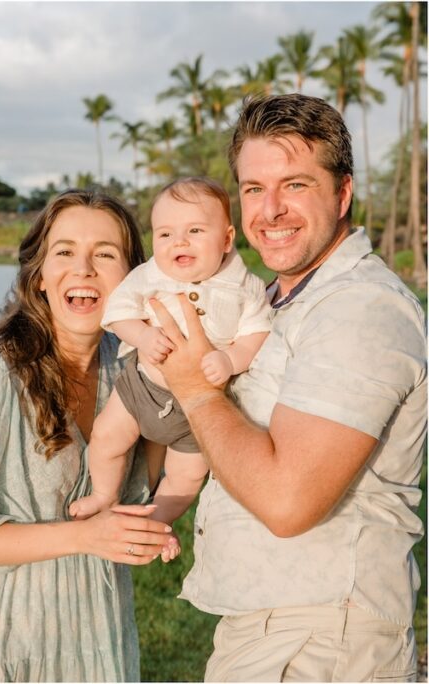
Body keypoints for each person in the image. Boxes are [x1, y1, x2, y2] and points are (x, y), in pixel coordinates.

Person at [150, 93, 426, 681]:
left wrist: (195, 389)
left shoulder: (359, 309)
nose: (269, 209)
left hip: (323, 638)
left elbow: (287, 502)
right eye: (253, 188)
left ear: (343, 193)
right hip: (279, 626)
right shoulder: (278, 300)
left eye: (295, 185)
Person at [0, 189, 175, 682]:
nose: (84, 269)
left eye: (105, 254)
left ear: (133, 280)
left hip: (93, 632)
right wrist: (84, 535)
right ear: (39, 276)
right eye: (64, 252)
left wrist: (170, 386)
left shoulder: (128, 367)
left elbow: (140, 493)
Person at [68, 177, 271, 553]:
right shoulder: (148, 276)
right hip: (142, 389)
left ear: (226, 240)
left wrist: (230, 359)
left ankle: (158, 523)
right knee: (106, 438)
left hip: (200, 412)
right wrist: (143, 337)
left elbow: (256, 334)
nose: (179, 242)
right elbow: (116, 314)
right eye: (165, 234)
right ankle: (103, 495)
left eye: (194, 230)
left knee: (186, 477)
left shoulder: (246, 287)